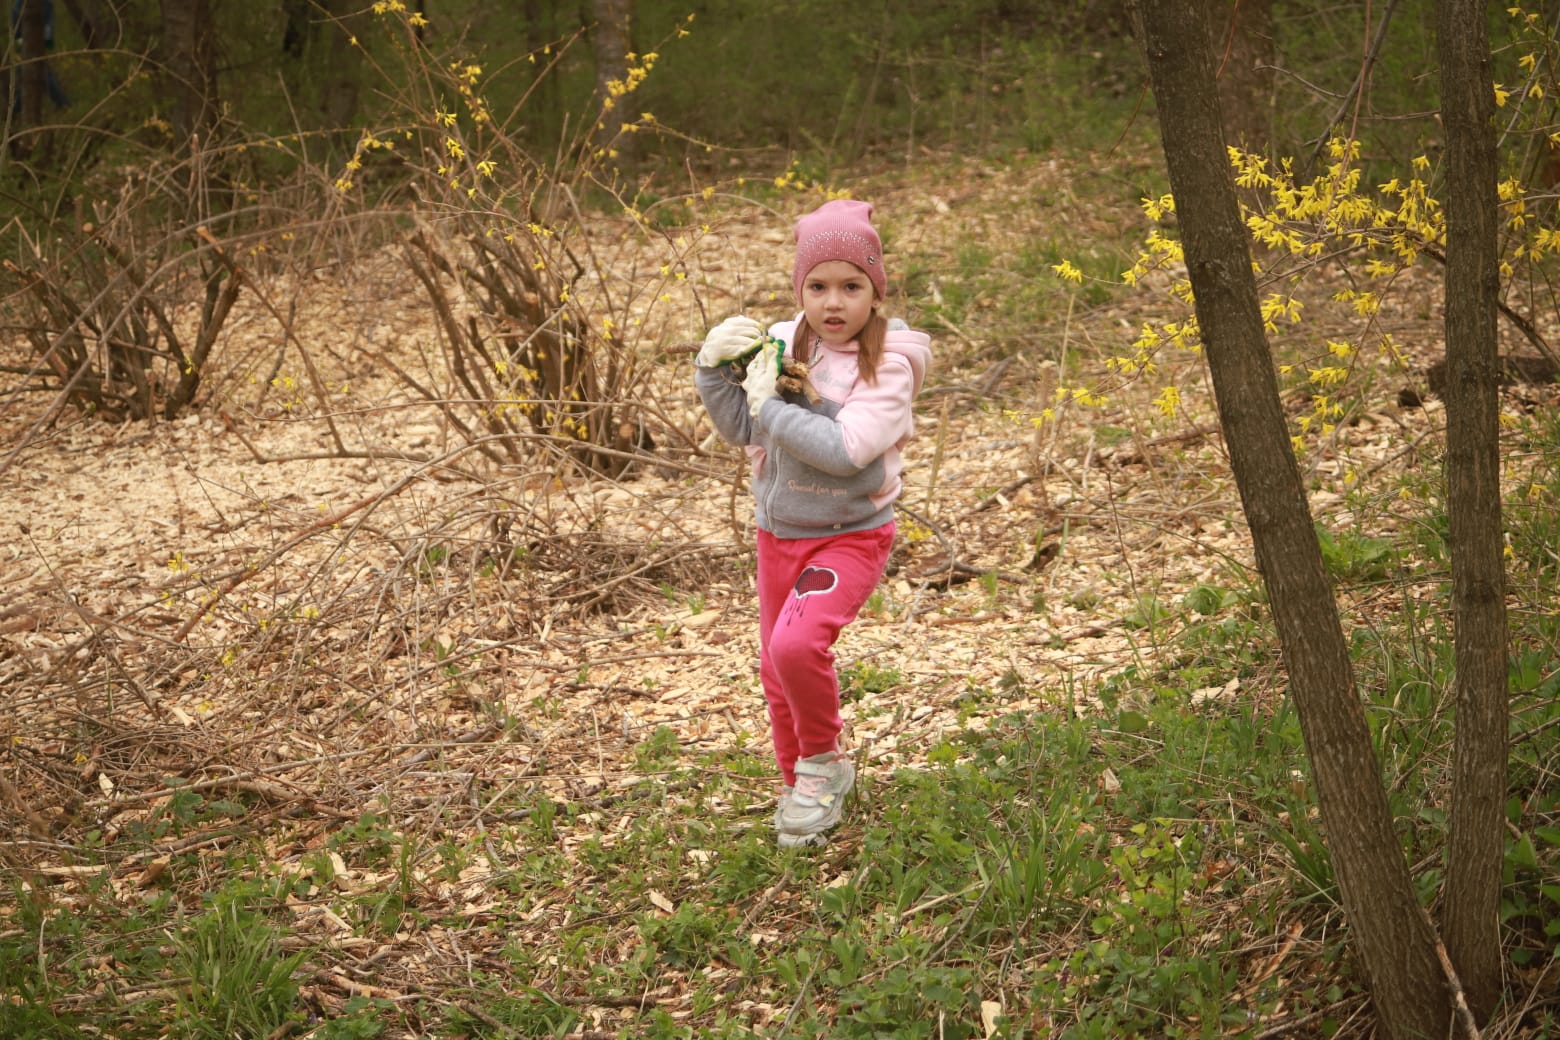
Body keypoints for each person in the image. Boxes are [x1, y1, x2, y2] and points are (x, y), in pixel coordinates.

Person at [694, 199, 931, 847]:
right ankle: (798, 781)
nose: (834, 302)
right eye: (817, 286)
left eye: (852, 286)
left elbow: (846, 452)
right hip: (780, 532)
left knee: (797, 647)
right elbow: (747, 426)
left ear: (876, 292)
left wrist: (770, 403)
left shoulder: (890, 365)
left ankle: (823, 766)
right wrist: (714, 373)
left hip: (850, 535)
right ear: (800, 288)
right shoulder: (786, 342)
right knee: (777, 667)